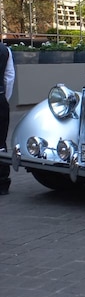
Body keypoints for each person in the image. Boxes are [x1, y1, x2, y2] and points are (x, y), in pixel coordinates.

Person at [0, 42, 15, 195]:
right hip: (0, 99)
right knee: (0, 141)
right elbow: (9, 77)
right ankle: (2, 182)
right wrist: (4, 98)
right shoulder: (5, 50)